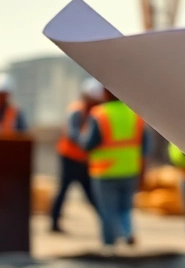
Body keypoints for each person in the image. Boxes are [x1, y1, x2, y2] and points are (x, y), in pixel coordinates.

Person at [82, 87, 151, 250]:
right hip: (130, 168)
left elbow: (88, 143)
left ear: (106, 93)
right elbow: (146, 145)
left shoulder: (100, 114)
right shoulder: (135, 113)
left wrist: (80, 136)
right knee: (125, 207)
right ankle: (127, 233)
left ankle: (109, 245)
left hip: (105, 170)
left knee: (108, 210)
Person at [49, 77, 104, 234]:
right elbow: (72, 133)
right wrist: (86, 143)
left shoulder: (96, 113)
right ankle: (54, 222)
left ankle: (107, 223)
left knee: (91, 193)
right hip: (69, 158)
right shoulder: (76, 111)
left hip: (84, 160)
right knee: (63, 190)